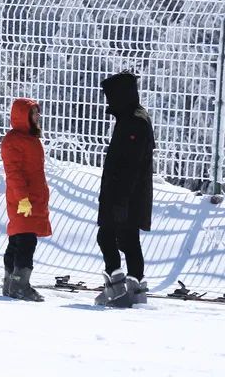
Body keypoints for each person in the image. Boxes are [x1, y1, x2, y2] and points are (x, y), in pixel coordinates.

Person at [94, 70, 155, 308]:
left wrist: (120, 201)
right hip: (124, 195)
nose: (108, 102)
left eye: (110, 96)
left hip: (126, 196)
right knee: (125, 240)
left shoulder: (134, 122)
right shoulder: (131, 118)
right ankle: (127, 290)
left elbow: (129, 167)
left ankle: (121, 290)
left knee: (116, 238)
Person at [0, 98, 52, 301]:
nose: (37, 117)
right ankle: (20, 284)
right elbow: (14, 173)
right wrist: (23, 198)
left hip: (32, 198)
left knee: (18, 239)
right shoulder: (14, 141)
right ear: (23, 116)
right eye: (33, 113)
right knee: (26, 240)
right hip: (23, 199)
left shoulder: (29, 138)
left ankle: (11, 283)